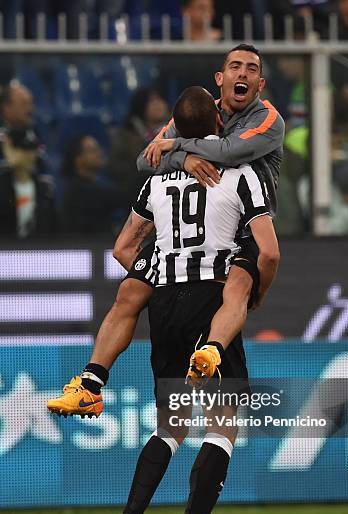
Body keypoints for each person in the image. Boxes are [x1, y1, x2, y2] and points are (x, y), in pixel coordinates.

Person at [47, 43, 284, 416]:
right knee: (128, 292)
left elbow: (229, 152)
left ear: (260, 83)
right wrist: (185, 157)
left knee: (238, 287)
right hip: (190, 230)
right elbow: (146, 158)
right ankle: (90, 383)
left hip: (242, 226)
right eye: (235, 67)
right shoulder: (200, 111)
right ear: (220, 80)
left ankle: (211, 353)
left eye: (251, 69)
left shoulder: (268, 119)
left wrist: (177, 146)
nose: (243, 74)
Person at [105, 86, 279, 514]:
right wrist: (253, 293)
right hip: (212, 301)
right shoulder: (242, 175)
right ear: (220, 128)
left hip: (165, 305)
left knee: (171, 425)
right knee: (222, 424)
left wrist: (156, 272)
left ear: (175, 133)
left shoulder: (157, 180)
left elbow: (122, 250)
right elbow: (267, 251)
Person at [107, 88, 170, 202]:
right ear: (140, 106)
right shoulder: (126, 135)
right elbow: (114, 167)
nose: (158, 104)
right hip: (137, 191)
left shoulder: (177, 129)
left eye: (159, 99)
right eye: (151, 101)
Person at [60, 134, 128, 234]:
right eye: (93, 150)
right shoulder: (77, 190)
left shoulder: (95, 186)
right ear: (78, 159)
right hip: (83, 247)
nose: (99, 153)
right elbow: (120, 196)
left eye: (98, 149)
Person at [0, 126, 56, 238]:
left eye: (33, 150)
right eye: (24, 149)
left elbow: (52, 227)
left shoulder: (45, 188)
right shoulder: (2, 187)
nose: (30, 156)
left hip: (37, 251)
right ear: (10, 150)